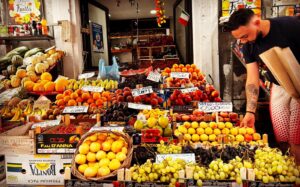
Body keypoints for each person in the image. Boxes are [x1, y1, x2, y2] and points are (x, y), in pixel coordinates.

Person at [225, 9, 300, 164]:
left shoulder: (290, 27)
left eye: (245, 36)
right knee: (282, 136)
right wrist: (250, 112)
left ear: (257, 22)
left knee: (296, 139)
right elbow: (252, 79)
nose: (243, 41)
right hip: (280, 86)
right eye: (240, 39)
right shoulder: (248, 45)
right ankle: (288, 169)